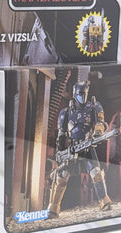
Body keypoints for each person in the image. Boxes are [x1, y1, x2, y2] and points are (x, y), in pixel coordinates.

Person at [48, 80, 112, 217]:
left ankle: (104, 201)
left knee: (96, 173)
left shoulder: (94, 107)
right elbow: (61, 134)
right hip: (72, 149)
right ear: (74, 94)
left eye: (84, 94)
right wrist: (60, 152)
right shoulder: (66, 112)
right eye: (79, 94)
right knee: (62, 177)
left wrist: (99, 131)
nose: (82, 96)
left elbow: (101, 123)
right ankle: (53, 208)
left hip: (87, 147)